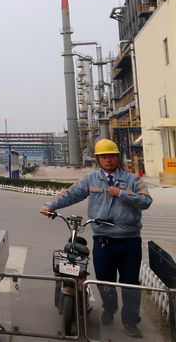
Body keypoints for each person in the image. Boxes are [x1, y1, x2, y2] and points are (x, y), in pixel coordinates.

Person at [40, 138, 152, 339]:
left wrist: (121, 194)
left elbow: (146, 201)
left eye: (111, 156)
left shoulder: (133, 180)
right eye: (104, 157)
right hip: (103, 240)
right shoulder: (91, 180)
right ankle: (110, 309)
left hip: (129, 241)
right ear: (98, 160)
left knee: (130, 284)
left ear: (118, 157)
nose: (108, 160)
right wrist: (50, 206)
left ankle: (130, 321)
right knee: (104, 281)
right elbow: (71, 194)